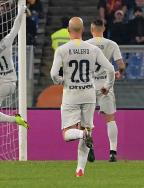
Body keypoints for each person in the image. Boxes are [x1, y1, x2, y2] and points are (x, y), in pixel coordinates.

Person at [50, 17, 115, 177]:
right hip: (89, 94)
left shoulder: (62, 49)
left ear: (68, 30)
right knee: (87, 128)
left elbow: (53, 74)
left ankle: (81, 135)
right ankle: (80, 169)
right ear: (83, 30)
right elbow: (111, 69)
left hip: (71, 94)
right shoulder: (92, 49)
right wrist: (107, 86)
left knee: (67, 133)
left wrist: (61, 81)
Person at [86, 19, 126, 162]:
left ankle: (89, 150)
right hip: (106, 84)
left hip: (88, 85)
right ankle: (113, 153)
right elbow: (121, 65)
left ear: (92, 29)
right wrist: (118, 73)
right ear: (103, 28)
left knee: (87, 119)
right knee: (110, 119)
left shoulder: (86, 44)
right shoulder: (111, 44)